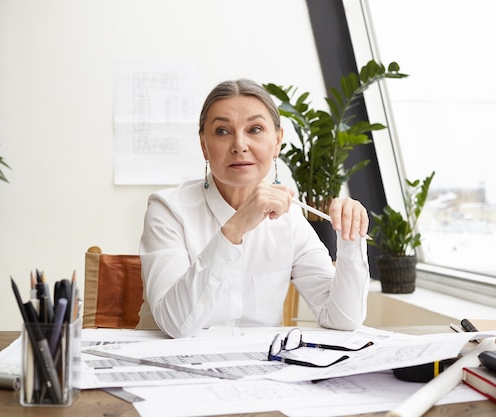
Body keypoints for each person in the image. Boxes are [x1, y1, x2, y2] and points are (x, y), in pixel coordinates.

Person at [137, 79, 370, 338]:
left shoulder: (290, 219)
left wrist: (351, 235)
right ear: (204, 145)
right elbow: (174, 324)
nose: (239, 145)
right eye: (222, 131)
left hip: (259, 371)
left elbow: (342, 319)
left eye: (255, 129)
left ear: (277, 141)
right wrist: (236, 227)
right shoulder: (168, 209)